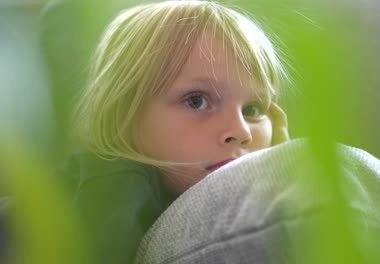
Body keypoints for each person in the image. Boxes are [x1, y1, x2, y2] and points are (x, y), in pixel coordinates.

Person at [67, 1, 289, 264]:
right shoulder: (117, 184)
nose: (241, 131)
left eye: (252, 109)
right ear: (123, 116)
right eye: (197, 101)